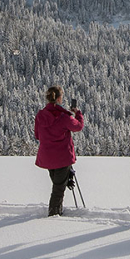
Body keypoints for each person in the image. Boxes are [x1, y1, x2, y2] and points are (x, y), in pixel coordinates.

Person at [33, 86, 85, 216]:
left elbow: (37, 135)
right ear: (59, 98)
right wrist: (78, 114)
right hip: (62, 157)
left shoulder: (40, 115)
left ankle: (57, 210)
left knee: (57, 186)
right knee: (58, 189)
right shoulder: (63, 117)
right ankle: (54, 214)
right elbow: (78, 127)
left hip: (47, 157)